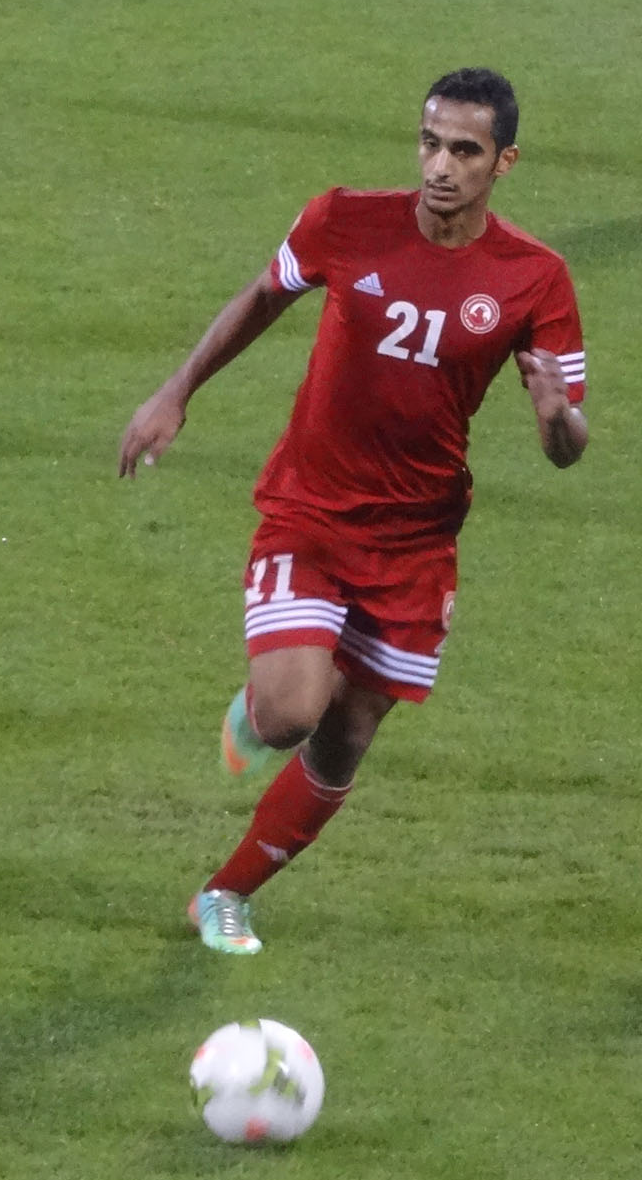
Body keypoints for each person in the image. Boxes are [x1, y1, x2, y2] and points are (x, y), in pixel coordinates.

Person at [118, 70, 588, 955]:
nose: (440, 166)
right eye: (430, 143)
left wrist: (558, 416)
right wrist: (176, 390)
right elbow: (263, 295)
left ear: (505, 162)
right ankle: (261, 708)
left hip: (418, 540)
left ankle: (224, 895)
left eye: (465, 151)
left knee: (347, 737)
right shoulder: (345, 219)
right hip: (312, 509)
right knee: (292, 714)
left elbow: (569, 446)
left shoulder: (535, 278)